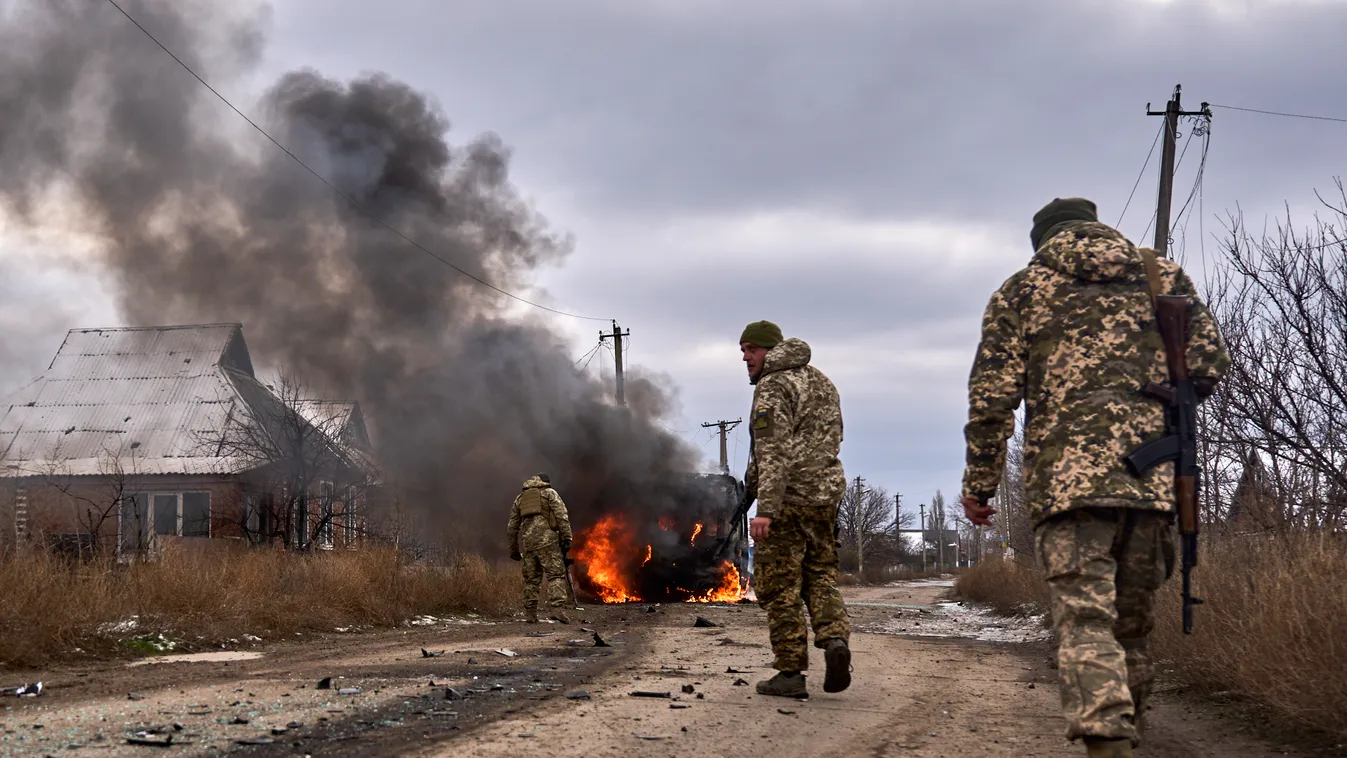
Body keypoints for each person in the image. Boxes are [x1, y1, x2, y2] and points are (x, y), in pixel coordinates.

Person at [959, 198, 1230, 757]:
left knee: (1085, 622)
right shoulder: (1161, 275)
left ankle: (1108, 743)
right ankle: (1131, 736)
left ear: (1043, 242)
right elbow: (1208, 365)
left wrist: (980, 484)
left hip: (1069, 491)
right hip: (1153, 482)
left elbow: (991, 401)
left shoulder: (1021, 291)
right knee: (1132, 629)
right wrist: (1152, 391)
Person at [740, 320, 852, 698]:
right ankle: (835, 639)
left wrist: (765, 508)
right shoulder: (821, 381)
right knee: (820, 575)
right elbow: (833, 438)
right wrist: (749, 488)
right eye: (743, 350)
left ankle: (790, 673)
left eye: (751, 349)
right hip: (825, 498)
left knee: (779, 586)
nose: (745, 356)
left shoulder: (774, 385)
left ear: (770, 350)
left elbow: (773, 452)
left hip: (787, 501)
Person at [507, 472, 574, 624]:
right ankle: (557, 610)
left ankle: (530, 614)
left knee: (531, 580)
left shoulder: (520, 498)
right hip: (548, 542)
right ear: (546, 482)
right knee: (555, 575)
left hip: (529, 545)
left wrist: (514, 549)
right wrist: (567, 538)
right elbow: (562, 516)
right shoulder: (550, 493)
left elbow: (512, 526)